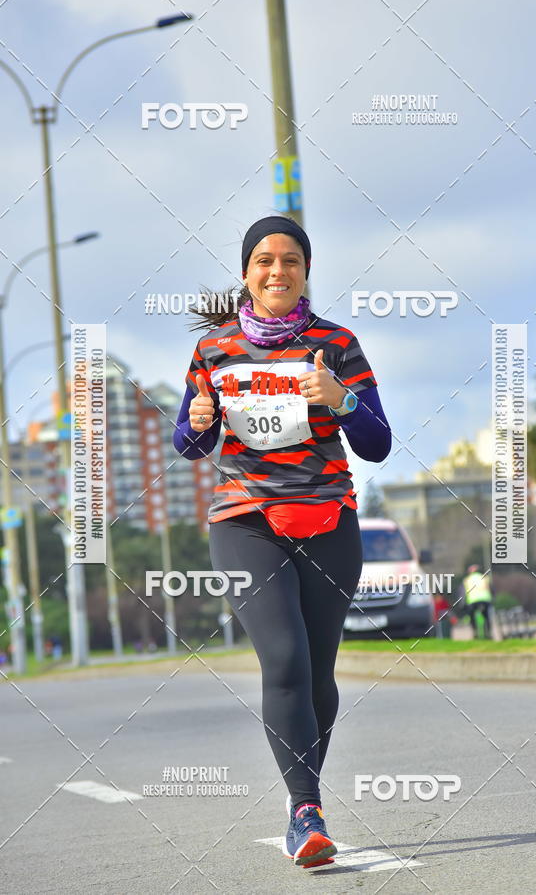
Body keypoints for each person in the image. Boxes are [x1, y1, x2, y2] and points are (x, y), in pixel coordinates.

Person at [173, 216, 391, 868]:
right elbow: (192, 443)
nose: (277, 270)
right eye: (264, 260)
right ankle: (306, 812)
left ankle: (304, 799)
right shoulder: (214, 350)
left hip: (328, 518)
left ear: (305, 271)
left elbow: (377, 441)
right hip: (245, 522)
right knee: (286, 657)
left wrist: (343, 398)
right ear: (246, 273)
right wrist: (196, 419)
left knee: (319, 673)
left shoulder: (337, 343)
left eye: (290, 259)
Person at [462, 564, 493, 639]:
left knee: (472, 616)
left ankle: (475, 632)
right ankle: (488, 633)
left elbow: (464, 592)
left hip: (473, 600)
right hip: (485, 599)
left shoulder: (467, 579)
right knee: (486, 616)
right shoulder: (485, 577)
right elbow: (489, 588)